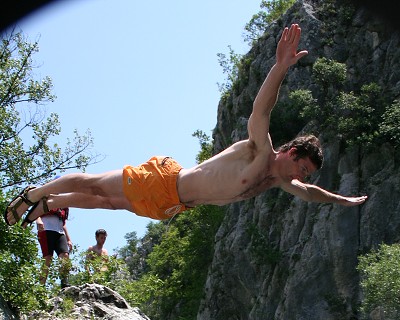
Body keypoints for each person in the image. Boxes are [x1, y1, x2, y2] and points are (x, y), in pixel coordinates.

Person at [4, 24, 367, 230]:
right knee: (94, 183)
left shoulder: (278, 181)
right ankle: (35, 194)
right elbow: (261, 109)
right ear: (292, 152)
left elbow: (312, 194)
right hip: (164, 182)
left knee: (108, 204)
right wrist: (280, 68)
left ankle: (51, 203)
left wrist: (343, 199)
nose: (301, 177)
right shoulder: (259, 150)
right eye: (302, 168)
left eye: (305, 174)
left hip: (174, 204)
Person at [35, 207, 72, 287]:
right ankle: (40, 287)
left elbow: (63, 223)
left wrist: (68, 239)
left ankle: (65, 283)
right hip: (46, 229)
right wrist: (38, 220)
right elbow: (36, 211)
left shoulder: (64, 204)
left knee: (65, 255)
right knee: (47, 258)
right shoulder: (47, 199)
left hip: (60, 232)